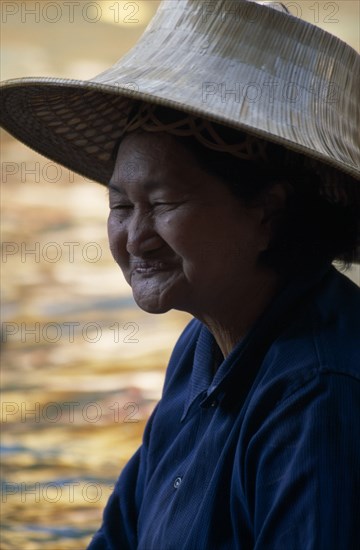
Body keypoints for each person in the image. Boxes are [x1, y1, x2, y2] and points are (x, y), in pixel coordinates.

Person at [1, 1, 359, 548]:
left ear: (267, 210)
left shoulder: (320, 395)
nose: (135, 238)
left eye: (164, 203)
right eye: (121, 206)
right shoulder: (203, 347)